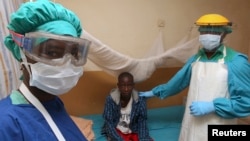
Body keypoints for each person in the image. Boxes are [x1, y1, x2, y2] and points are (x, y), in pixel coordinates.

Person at [139, 14, 250, 141]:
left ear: (224, 33)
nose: (208, 34)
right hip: (191, 125)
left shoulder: (236, 62)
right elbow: (177, 82)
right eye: (204, 30)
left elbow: (246, 102)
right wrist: (153, 92)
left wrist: (214, 106)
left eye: (214, 31)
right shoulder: (195, 59)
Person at [0, 0, 92, 140]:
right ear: (21, 53)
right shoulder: (6, 123)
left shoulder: (53, 103)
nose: (66, 63)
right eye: (52, 52)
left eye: (73, 53)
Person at [101, 72, 153, 141]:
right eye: (123, 86)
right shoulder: (110, 100)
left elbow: (142, 122)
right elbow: (109, 123)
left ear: (133, 85)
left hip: (133, 130)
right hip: (117, 130)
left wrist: (143, 139)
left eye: (129, 85)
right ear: (118, 86)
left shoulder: (140, 100)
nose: (126, 89)